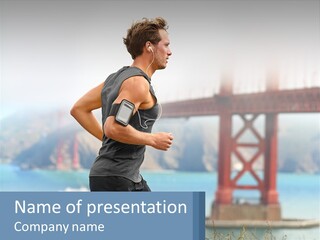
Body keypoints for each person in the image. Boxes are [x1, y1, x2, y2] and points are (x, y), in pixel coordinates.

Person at [70, 17, 173, 191]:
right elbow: (114, 127)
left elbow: (79, 109)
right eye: (166, 45)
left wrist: (107, 139)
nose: (170, 52)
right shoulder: (137, 83)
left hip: (116, 175)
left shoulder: (114, 80)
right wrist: (153, 139)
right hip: (117, 178)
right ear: (149, 46)